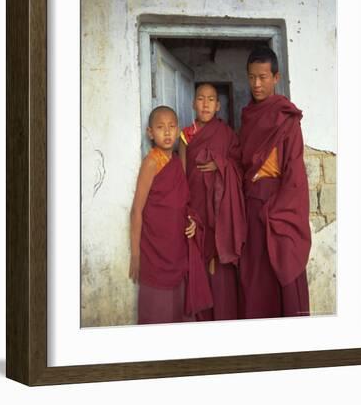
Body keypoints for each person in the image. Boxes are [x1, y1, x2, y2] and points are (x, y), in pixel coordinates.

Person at [239, 46, 311, 319]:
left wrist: (279, 211)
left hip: (276, 207)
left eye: (263, 77)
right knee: (255, 275)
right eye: (251, 77)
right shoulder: (248, 117)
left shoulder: (287, 119)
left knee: (282, 265)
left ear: (276, 78)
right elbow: (242, 162)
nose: (257, 84)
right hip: (250, 207)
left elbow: (293, 171)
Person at [129, 105, 212, 324]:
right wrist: (135, 254)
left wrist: (193, 221)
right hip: (156, 250)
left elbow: (183, 202)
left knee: (179, 305)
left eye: (172, 127)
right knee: (158, 310)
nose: (167, 132)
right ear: (150, 132)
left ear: (177, 131)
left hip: (177, 246)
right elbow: (137, 210)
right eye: (160, 127)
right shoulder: (151, 163)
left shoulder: (176, 161)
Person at [179, 84, 247, 321]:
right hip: (196, 209)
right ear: (193, 103)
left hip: (222, 210)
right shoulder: (185, 136)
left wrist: (222, 164)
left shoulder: (227, 134)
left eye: (211, 99)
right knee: (198, 258)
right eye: (200, 99)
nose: (205, 104)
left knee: (221, 260)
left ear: (218, 106)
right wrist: (185, 211)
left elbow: (240, 166)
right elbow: (181, 175)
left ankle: (226, 317)